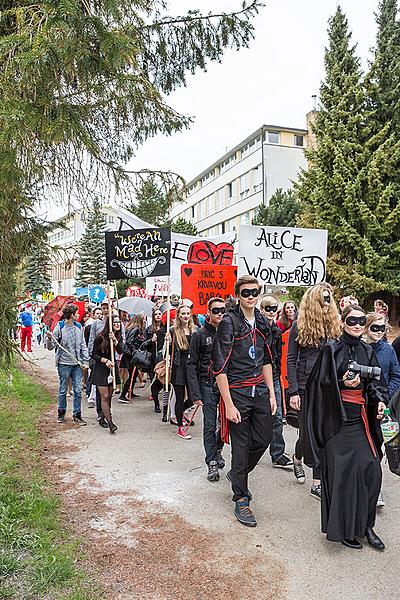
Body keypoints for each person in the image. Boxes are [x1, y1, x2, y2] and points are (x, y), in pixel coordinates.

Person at [304, 305, 387, 550]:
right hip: (335, 421)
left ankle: (366, 527)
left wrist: (380, 401)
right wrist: (341, 382)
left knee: (371, 468)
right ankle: (344, 530)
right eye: (352, 320)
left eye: (362, 321)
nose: (358, 325)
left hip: (360, 419)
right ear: (343, 321)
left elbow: (375, 384)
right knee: (342, 474)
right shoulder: (332, 349)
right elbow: (318, 385)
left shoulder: (367, 350)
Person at [212, 275, 276, 527]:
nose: (251, 296)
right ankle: (241, 497)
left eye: (255, 292)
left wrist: (272, 393)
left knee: (264, 438)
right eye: (246, 292)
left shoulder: (262, 320)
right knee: (241, 446)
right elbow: (219, 367)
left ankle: (237, 473)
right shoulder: (229, 322)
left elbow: (267, 360)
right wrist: (228, 403)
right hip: (236, 391)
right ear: (238, 295)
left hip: (259, 389)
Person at [287, 283, 341, 500]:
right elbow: (291, 359)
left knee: (323, 434)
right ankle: (297, 458)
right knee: (306, 435)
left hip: (328, 387)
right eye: (323, 299)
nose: (327, 303)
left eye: (329, 298)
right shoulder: (300, 324)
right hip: (305, 386)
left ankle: (317, 482)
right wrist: (293, 392)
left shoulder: (335, 324)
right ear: (314, 302)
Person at [187, 297, 226, 482]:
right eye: (216, 310)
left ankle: (217, 449)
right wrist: (195, 393)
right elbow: (191, 364)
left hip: (227, 385)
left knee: (227, 424)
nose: (220, 314)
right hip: (207, 384)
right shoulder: (199, 334)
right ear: (208, 313)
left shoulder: (229, 332)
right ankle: (211, 461)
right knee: (210, 424)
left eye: (222, 310)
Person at [365, 311, 400, 507]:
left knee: (377, 449)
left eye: (382, 328)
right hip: (360, 407)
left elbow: (396, 375)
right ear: (366, 327)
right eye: (375, 328)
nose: (379, 332)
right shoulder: (359, 348)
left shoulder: (388, 350)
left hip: (381, 408)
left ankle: (375, 489)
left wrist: (386, 396)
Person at [260, 296, 293, 469]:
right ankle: (251, 451)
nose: (271, 312)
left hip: (274, 376)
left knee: (277, 416)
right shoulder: (257, 328)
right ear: (262, 309)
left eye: (274, 309)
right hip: (257, 377)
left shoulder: (277, 330)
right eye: (268, 308)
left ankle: (277, 454)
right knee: (257, 417)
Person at [46, 304, 89, 425]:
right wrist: (49, 338)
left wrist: (85, 361)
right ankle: (61, 413)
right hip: (63, 364)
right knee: (63, 389)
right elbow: (50, 347)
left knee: (78, 390)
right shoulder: (59, 327)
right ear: (71, 315)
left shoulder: (79, 327)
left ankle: (77, 415)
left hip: (77, 364)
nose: (79, 315)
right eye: (77, 313)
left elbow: (83, 346)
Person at [166, 304, 197, 439]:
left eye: (187, 313)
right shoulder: (173, 330)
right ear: (178, 315)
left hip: (192, 367)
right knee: (179, 397)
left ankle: (181, 411)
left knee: (193, 398)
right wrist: (167, 342)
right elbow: (165, 353)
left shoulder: (195, 330)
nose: (185, 316)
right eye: (183, 313)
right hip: (178, 366)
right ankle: (180, 427)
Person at [91, 314, 125, 433]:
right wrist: (105, 360)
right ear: (110, 324)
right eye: (115, 322)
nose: (117, 324)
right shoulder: (100, 337)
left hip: (112, 368)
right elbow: (94, 355)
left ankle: (103, 417)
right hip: (101, 368)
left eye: (119, 322)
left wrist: (115, 341)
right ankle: (111, 423)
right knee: (104, 396)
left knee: (109, 396)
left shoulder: (116, 337)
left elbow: (121, 351)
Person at [119, 314, 147, 402]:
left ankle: (130, 391)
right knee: (132, 375)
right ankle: (123, 395)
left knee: (133, 375)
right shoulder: (136, 329)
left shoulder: (131, 328)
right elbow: (129, 341)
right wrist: (134, 351)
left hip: (129, 355)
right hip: (131, 355)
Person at [145, 308, 165, 413]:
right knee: (153, 381)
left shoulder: (165, 329)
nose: (158, 316)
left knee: (163, 381)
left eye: (159, 314)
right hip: (152, 360)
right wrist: (150, 340)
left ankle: (165, 404)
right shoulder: (149, 329)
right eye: (155, 314)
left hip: (162, 360)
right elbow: (143, 344)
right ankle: (156, 404)